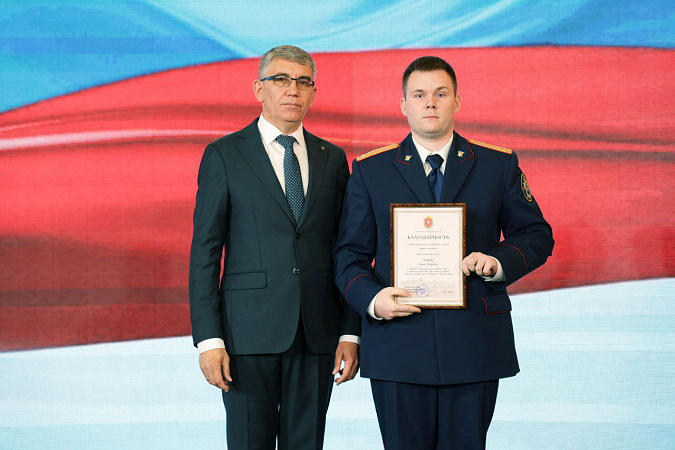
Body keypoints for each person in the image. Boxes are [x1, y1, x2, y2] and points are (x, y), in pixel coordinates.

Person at [334, 56, 554, 449]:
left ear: (457, 101)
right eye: (419, 95)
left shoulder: (497, 164)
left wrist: (498, 261)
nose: (430, 103)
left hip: (473, 342)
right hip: (398, 343)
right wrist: (373, 299)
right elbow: (349, 255)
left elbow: (536, 235)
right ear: (404, 105)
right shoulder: (371, 170)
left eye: (440, 93)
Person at [189, 45, 361, 450]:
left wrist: (351, 332)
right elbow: (205, 254)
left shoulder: (333, 158)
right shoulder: (224, 154)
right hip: (246, 336)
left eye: (303, 82)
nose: (292, 90)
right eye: (280, 79)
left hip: (317, 334)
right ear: (258, 88)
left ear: (313, 92)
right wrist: (209, 340)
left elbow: (348, 250)